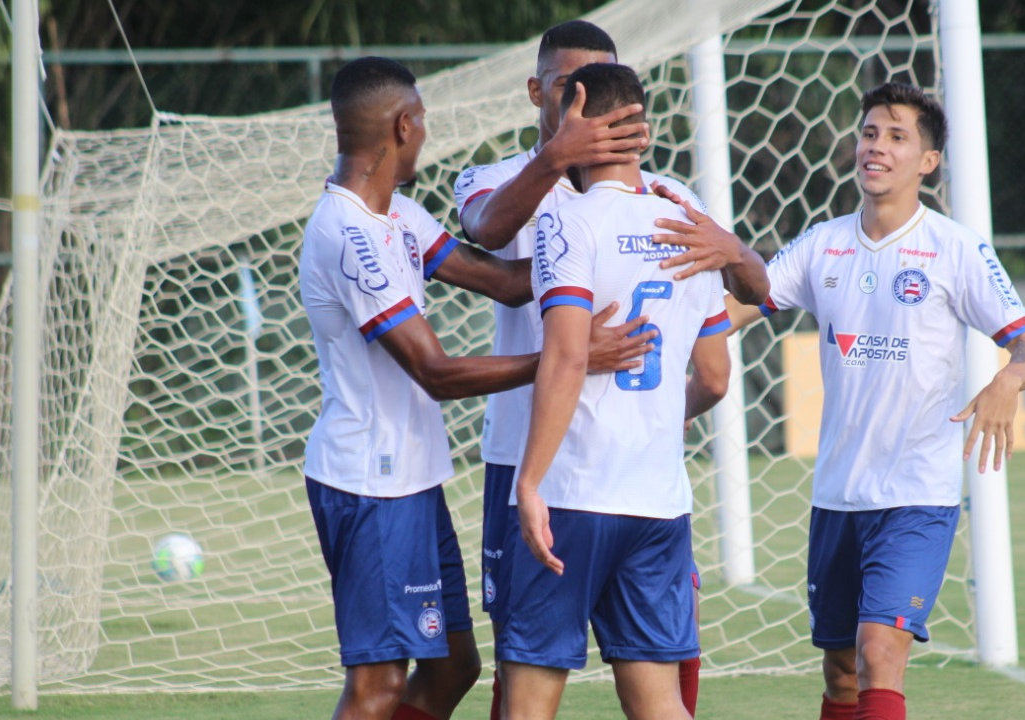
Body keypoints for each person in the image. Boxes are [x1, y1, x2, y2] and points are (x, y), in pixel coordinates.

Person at [653, 82, 1025, 720]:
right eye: (869, 133)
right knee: (841, 671)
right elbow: (731, 312)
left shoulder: (956, 249)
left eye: (897, 137)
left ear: (928, 161)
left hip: (917, 492)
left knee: (877, 651)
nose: (877, 147)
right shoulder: (822, 245)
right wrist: (647, 349)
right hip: (837, 494)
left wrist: (1008, 380)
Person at [299, 57, 653, 720]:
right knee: (376, 685)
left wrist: (602, 243)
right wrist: (568, 358)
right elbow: (434, 371)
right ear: (404, 125)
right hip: (368, 482)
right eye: (423, 120)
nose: (427, 133)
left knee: (456, 664)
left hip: (410, 479)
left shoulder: (398, 215)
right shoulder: (347, 233)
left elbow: (504, 279)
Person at [452, 20, 769, 719]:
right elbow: (489, 230)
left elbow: (570, 355)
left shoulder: (659, 203)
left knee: (533, 685)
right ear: (540, 92)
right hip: (555, 460)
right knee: (617, 684)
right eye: (569, 84)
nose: (584, 105)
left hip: (561, 477)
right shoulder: (505, 178)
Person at [498, 62, 732, 720]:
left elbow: (570, 355)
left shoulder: (566, 222)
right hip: (658, 502)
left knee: (528, 704)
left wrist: (530, 481)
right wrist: (659, 417)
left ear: (571, 118)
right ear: (644, 133)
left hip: (575, 493)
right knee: (658, 702)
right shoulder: (687, 224)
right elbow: (714, 376)